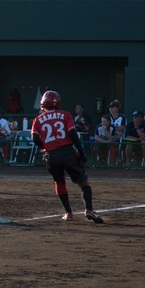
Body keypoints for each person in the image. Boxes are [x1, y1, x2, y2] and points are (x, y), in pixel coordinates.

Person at [31, 91, 104, 223]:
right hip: (67, 152)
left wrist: (45, 147)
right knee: (83, 182)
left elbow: (35, 138)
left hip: (51, 155)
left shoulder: (38, 119)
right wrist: (81, 153)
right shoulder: (65, 115)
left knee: (59, 182)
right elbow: (73, 134)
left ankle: (68, 213)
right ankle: (89, 210)